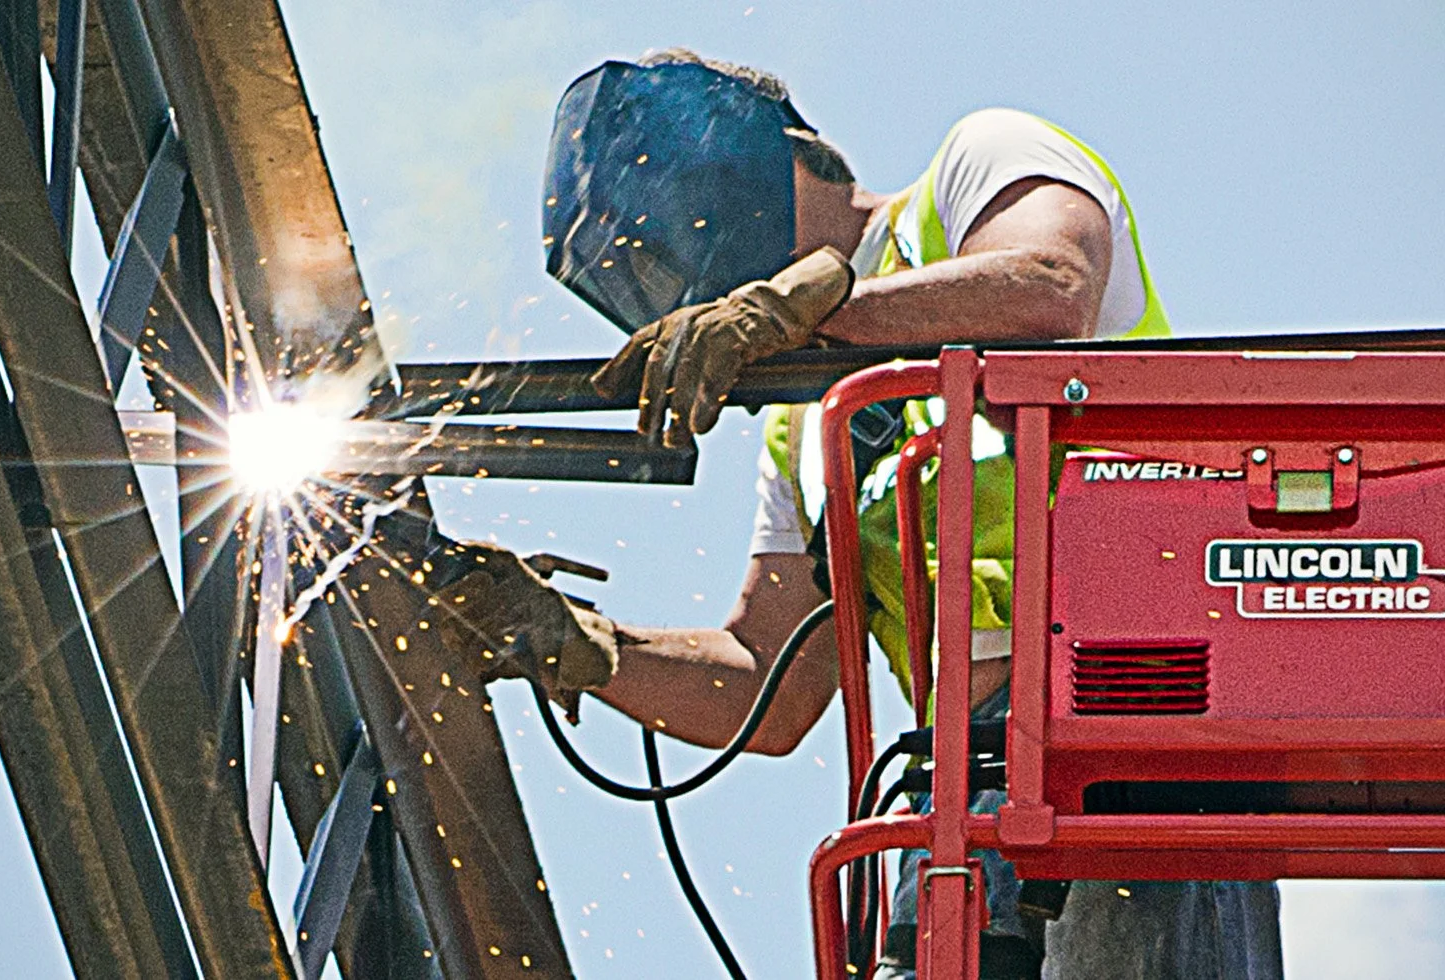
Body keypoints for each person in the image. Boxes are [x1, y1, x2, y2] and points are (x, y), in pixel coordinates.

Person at [438, 49, 1282, 979]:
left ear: (756, 159)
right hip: (964, 791)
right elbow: (766, 690)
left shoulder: (976, 165)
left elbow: (1052, 286)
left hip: (1138, 733)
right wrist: (582, 642)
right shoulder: (804, 428)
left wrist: (810, 308)